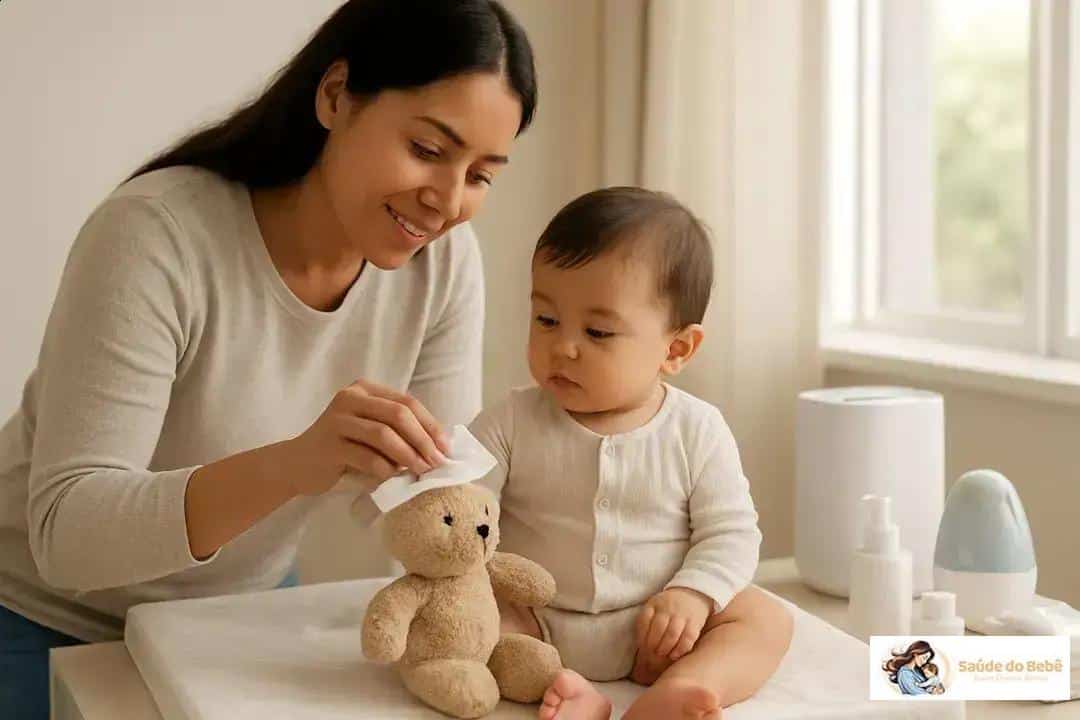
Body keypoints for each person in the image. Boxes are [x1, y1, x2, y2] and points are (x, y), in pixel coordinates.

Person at [0, 1, 536, 717]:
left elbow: (441, 500)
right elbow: (67, 539)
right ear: (336, 95)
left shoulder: (441, 264)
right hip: (46, 620)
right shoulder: (155, 237)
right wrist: (293, 463)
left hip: (239, 614)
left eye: (481, 175)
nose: (446, 201)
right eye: (430, 150)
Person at [469, 188, 794, 720]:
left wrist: (694, 595)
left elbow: (731, 533)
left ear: (676, 349)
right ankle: (564, 688)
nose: (564, 347)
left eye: (597, 332)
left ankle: (681, 687)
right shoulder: (510, 419)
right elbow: (465, 507)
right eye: (546, 320)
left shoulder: (697, 429)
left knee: (766, 619)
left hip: (657, 630)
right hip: (535, 622)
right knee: (471, 612)